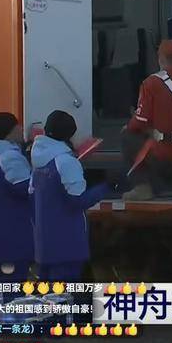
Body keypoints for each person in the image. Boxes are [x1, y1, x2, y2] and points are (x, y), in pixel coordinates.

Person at [30, 111, 118, 281]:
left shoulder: (38, 160)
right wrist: (107, 186)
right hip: (67, 244)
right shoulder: (65, 161)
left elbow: (32, 199)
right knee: (64, 294)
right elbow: (77, 201)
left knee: (47, 293)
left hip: (44, 244)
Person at [122, 39, 172, 200]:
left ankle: (142, 187)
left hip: (162, 154)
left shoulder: (151, 83)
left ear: (161, 59)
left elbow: (140, 122)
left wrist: (131, 126)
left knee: (128, 135)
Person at [0, 112, 33, 281]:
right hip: (12, 241)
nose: (22, 129)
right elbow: (28, 189)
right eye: (17, 126)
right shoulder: (10, 158)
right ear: (9, 132)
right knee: (11, 289)